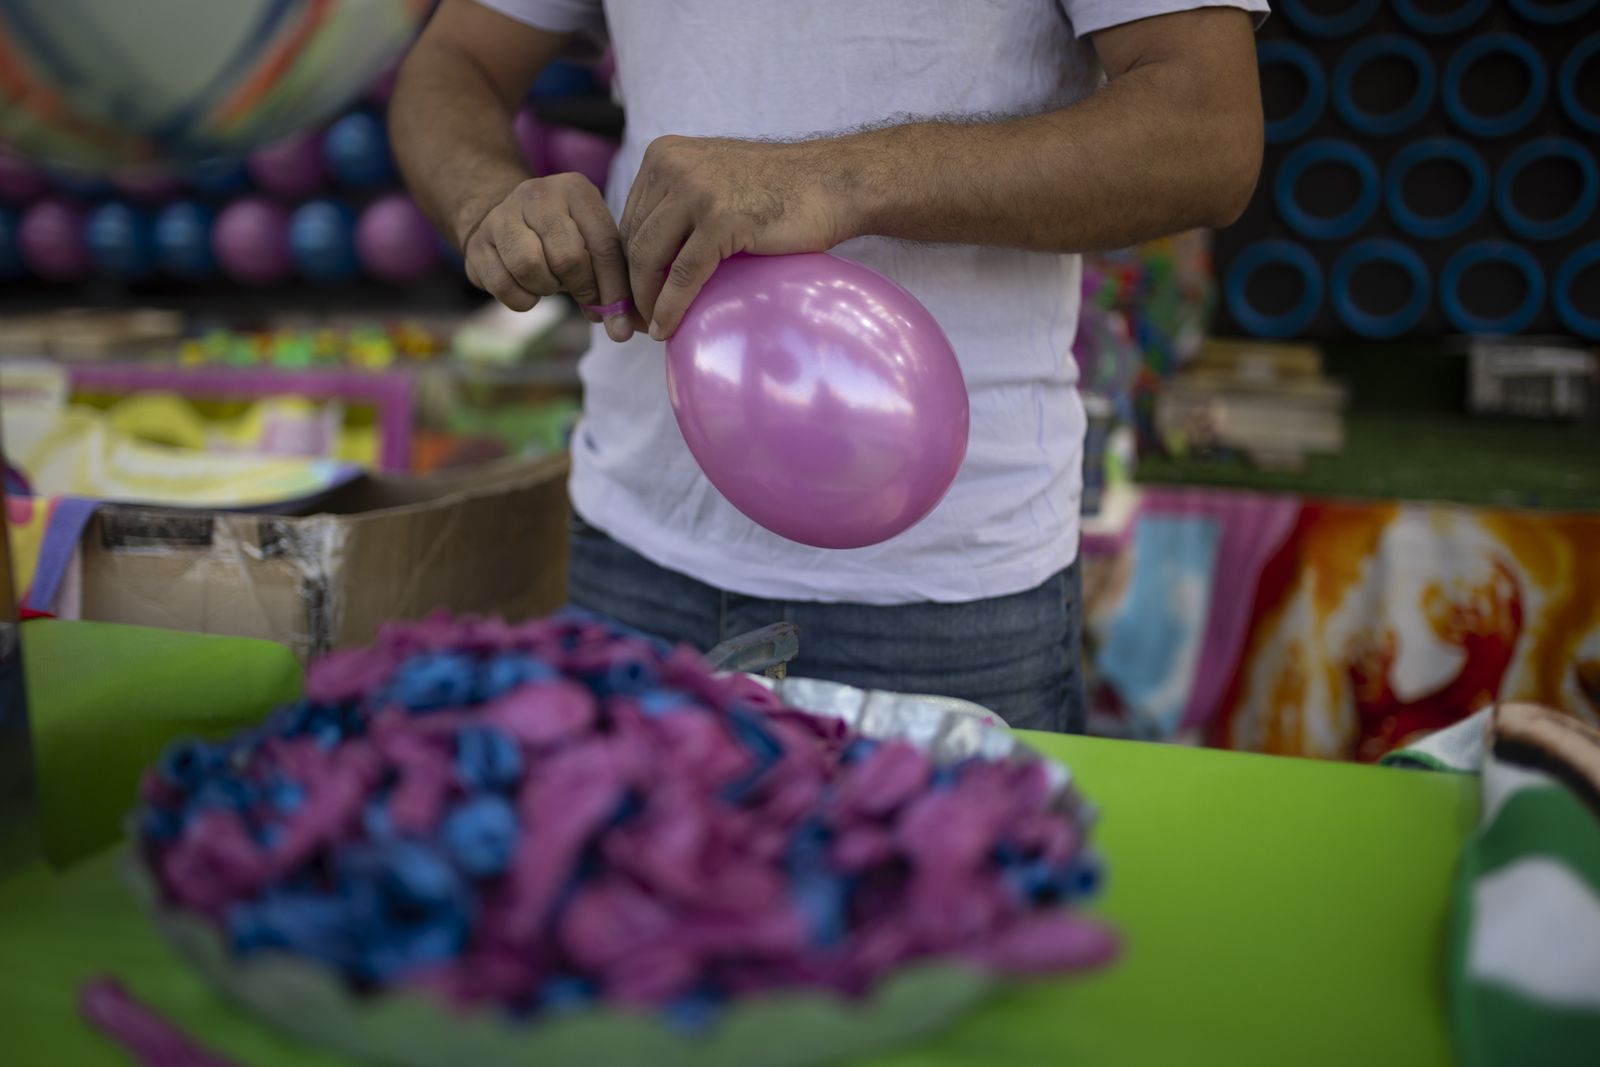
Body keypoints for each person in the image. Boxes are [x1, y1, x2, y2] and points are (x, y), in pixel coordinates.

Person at [391, 0, 1266, 732]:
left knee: (938, 940)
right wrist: (489, 206)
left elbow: (1206, 130)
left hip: (942, 592)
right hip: (632, 535)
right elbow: (456, 58)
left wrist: (837, 178)